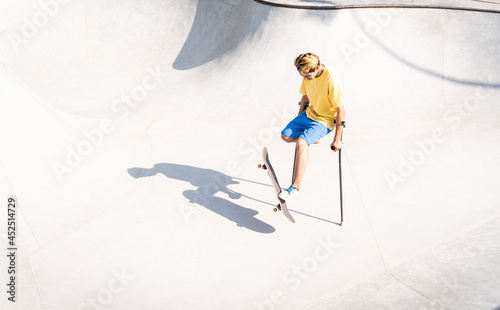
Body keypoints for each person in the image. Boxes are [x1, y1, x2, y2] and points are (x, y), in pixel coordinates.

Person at [279, 53, 345, 201]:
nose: (305, 78)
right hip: (310, 113)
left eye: (308, 75)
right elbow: (305, 97)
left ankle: (294, 188)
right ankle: (311, 139)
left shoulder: (331, 78)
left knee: (301, 143)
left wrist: (337, 139)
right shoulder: (306, 74)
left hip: (325, 120)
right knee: (285, 136)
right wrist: (299, 115)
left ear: (317, 67)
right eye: (303, 75)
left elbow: (341, 110)